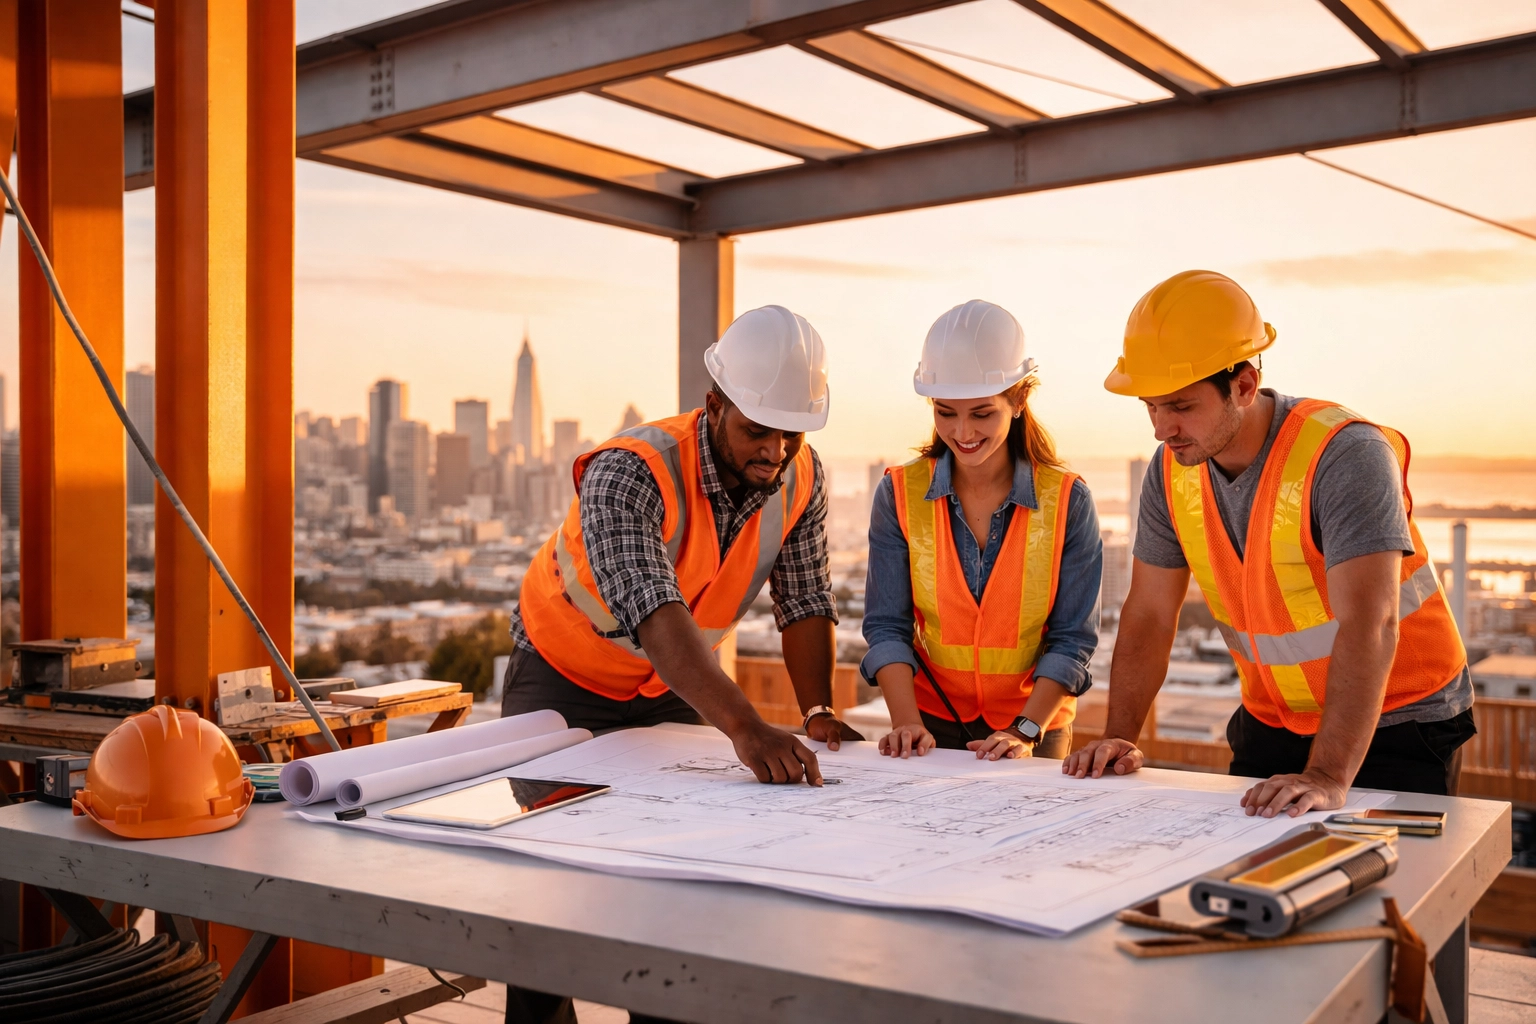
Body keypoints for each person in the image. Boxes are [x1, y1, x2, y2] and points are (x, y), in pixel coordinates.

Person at [504, 304, 860, 1024]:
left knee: (674, 887)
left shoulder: (801, 475)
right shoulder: (628, 472)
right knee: (553, 891)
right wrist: (747, 728)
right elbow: (655, 613)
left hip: (671, 689)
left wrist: (818, 709)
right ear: (714, 405)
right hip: (561, 684)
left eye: (791, 432)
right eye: (756, 429)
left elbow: (806, 598)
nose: (775, 450)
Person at [1064, 270, 1474, 818]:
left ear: (1243, 385)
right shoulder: (1171, 471)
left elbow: (1369, 623)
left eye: (1181, 406)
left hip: (1400, 719)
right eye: (1151, 407)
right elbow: (1150, 613)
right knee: (1249, 881)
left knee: (1397, 889)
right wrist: (1119, 736)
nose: (1162, 429)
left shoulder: (1344, 454)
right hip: (1273, 719)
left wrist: (1327, 776)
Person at [863, 300, 1102, 761]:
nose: (962, 431)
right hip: (928, 722)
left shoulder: (1069, 500)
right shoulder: (898, 492)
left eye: (981, 413)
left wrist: (1026, 730)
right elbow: (886, 625)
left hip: (1035, 725)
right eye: (946, 412)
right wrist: (906, 722)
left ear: (1017, 401)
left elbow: (1072, 639)